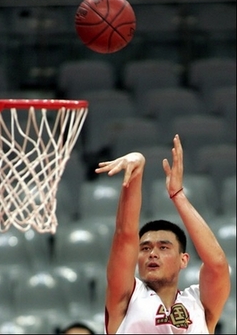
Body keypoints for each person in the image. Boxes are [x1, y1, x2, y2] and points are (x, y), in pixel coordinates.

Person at [95, 134, 231, 334]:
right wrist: (136, 172)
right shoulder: (127, 296)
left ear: (183, 260)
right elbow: (125, 236)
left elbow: (218, 265)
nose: (152, 253)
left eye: (164, 247)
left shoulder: (198, 303)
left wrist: (178, 195)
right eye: (145, 248)